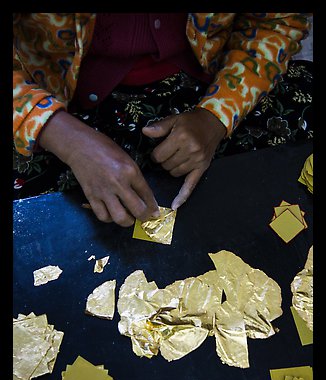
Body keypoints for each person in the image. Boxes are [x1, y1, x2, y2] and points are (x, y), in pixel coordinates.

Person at [13, 13, 313, 227]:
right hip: (46, 94)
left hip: (212, 77)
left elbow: (276, 22)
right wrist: (62, 136)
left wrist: (218, 114)